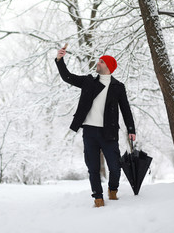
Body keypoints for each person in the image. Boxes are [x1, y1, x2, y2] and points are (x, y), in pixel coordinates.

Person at [55, 45, 136, 207]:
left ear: (108, 66)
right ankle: (98, 198)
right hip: (89, 132)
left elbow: (125, 108)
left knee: (115, 167)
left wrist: (131, 129)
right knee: (93, 168)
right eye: (99, 61)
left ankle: (113, 189)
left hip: (109, 132)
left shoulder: (118, 87)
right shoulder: (88, 82)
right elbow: (67, 77)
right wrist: (59, 60)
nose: (97, 63)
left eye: (101, 62)